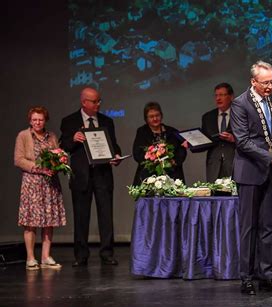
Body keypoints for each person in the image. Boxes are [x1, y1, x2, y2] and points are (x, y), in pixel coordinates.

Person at [230, 60, 272, 295]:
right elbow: (243, 142)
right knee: (248, 228)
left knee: (267, 227)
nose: (270, 87)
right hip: (249, 173)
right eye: (265, 83)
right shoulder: (240, 104)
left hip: (267, 174)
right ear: (253, 82)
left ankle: (266, 276)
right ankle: (246, 277)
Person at [60, 87, 122, 267]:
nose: (98, 104)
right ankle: (81, 255)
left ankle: (107, 253)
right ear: (84, 102)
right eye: (94, 101)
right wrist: (73, 139)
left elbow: (113, 145)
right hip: (81, 175)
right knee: (81, 217)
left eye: (99, 100)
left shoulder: (107, 121)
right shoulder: (69, 121)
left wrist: (116, 156)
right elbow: (64, 146)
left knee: (106, 216)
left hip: (102, 174)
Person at [14, 106, 66, 270]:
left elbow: (58, 155)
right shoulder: (23, 136)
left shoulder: (51, 137)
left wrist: (59, 163)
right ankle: (30, 257)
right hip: (32, 184)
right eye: (35, 119)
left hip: (50, 184)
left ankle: (45, 256)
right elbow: (19, 160)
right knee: (30, 222)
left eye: (41, 119)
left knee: (48, 221)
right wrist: (39, 168)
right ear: (30, 120)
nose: (38, 122)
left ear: (45, 120)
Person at [132, 102, 187, 185]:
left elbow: (181, 151)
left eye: (157, 115)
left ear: (161, 115)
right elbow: (137, 153)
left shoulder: (172, 131)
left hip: (172, 176)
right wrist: (151, 161)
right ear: (146, 119)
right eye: (151, 116)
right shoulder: (142, 132)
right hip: (148, 177)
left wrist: (173, 161)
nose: (155, 118)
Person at [196, 83, 235, 182]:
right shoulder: (207, 117)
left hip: (234, 163)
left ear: (231, 96)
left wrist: (234, 139)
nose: (218, 98)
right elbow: (205, 142)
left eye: (222, 95)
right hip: (214, 166)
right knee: (215, 196)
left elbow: (248, 139)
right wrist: (192, 143)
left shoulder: (240, 114)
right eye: (216, 95)